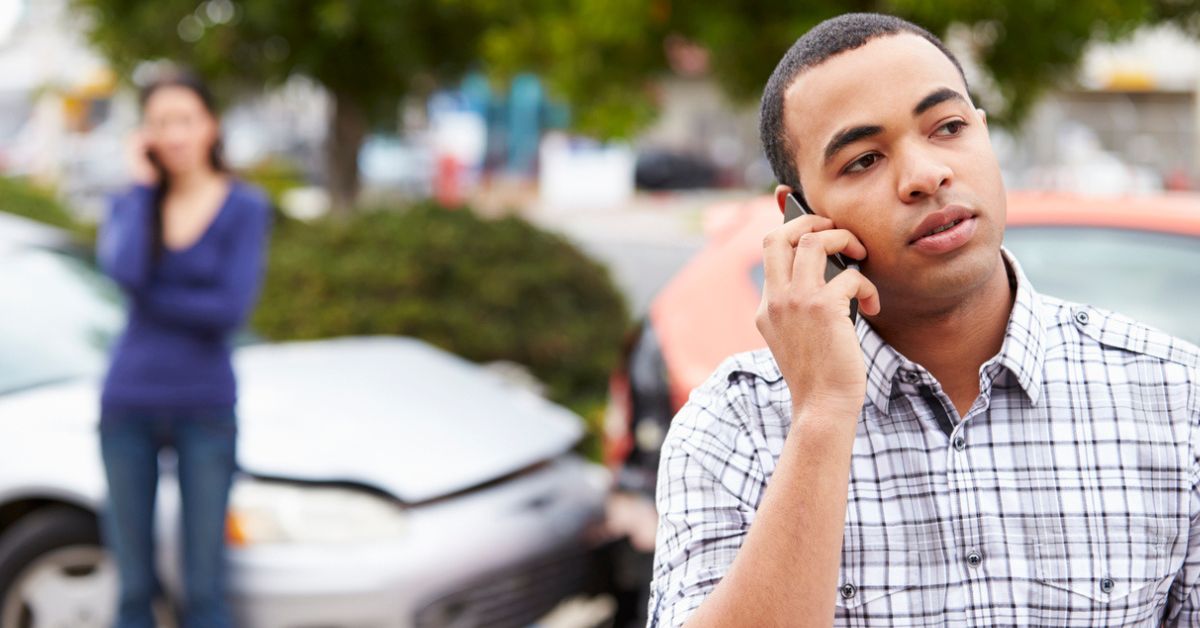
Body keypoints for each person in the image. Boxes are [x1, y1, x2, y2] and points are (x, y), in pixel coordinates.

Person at [648, 13, 1200, 628]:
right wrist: (823, 413)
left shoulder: (1176, 398)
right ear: (801, 215)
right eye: (862, 160)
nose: (925, 176)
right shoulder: (731, 429)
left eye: (948, 127)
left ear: (985, 136)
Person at [96, 71, 272, 628]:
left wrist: (151, 293)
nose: (172, 134)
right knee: (132, 586)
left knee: (205, 588)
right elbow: (122, 272)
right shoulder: (132, 201)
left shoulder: (245, 206)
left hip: (205, 404)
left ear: (210, 126)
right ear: (144, 134)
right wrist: (144, 188)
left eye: (184, 120)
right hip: (128, 401)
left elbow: (228, 311)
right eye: (159, 122)